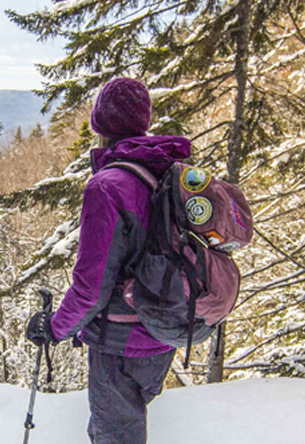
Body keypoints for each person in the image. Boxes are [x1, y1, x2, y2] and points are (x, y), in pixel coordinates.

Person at [25, 77, 197, 444]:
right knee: (119, 431)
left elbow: (90, 290)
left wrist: (54, 328)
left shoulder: (107, 186)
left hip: (121, 344)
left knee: (114, 437)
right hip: (163, 332)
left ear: (101, 125)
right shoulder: (165, 171)